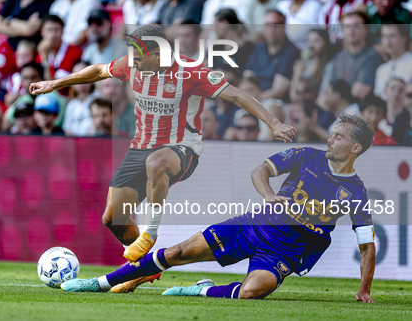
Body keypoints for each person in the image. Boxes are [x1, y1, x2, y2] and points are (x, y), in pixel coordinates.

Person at [29, 24, 298, 263]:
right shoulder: (132, 64)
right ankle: (145, 269)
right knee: (113, 220)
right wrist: (56, 83)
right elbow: (99, 71)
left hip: (183, 147)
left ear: (158, 55)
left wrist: (274, 123)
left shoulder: (191, 71)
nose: (131, 59)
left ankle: (150, 232)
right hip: (140, 147)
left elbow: (237, 96)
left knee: (155, 162)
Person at [61, 114, 376, 303]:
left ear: (356, 148)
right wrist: (268, 195)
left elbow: (366, 245)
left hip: (286, 251)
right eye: (332, 134)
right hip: (254, 226)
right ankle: (100, 283)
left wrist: (364, 289)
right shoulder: (307, 155)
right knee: (178, 253)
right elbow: (260, 172)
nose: (330, 139)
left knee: (253, 292)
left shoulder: (356, 191)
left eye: (339, 137)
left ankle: (200, 291)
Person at [322, 11, 383, 101]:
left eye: (356, 26)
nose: (351, 30)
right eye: (347, 26)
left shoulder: (372, 57)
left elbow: (358, 95)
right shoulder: (338, 57)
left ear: (366, 30)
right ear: (342, 30)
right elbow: (328, 90)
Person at [244, 10, 300, 101]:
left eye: (276, 25)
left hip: (274, 103)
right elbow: (247, 77)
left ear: (284, 26)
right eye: (268, 25)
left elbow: (278, 91)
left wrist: (253, 100)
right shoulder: (258, 48)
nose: (271, 30)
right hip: (252, 99)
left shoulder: (291, 52)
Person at [35, 15, 82, 81]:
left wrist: (44, 57)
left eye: (56, 30)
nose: (53, 35)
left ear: (63, 30)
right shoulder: (40, 55)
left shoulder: (74, 52)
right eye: (49, 30)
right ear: (42, 32)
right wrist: (44, 55)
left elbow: (53, 85)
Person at [290, 29, 333, 100]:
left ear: (325, 43)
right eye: (308, 40)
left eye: (316, 41)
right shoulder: (304, 64)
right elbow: (293, 96)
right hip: (299, 103)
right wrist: (296, 75)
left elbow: (323, 96)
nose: (311, 45)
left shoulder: (329, 66)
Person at [375, 24, 412, 99]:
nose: (388, 41)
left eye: (392, 36)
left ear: (404, 38)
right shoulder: (381, 69)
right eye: (384, 36)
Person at [212, 9, 254, 75]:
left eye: (215, 25)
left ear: (224, 24)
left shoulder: (248, 49)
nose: (214, 29)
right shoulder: (216, 47)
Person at [62, 62, 95, 136]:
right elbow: (68, 131)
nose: (79, 79)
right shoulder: (71, 105)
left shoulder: (98, 100)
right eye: (75, 76)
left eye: (84, 75)